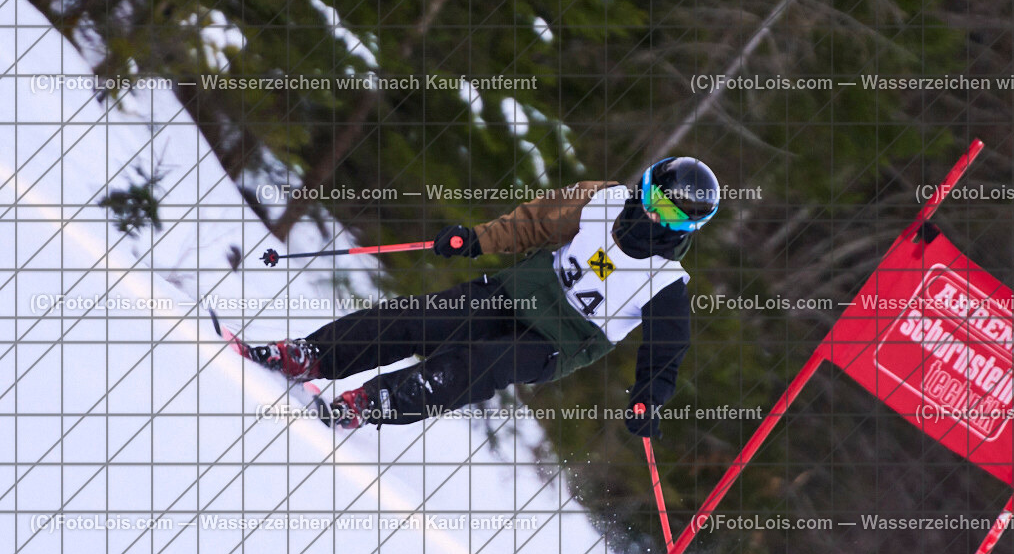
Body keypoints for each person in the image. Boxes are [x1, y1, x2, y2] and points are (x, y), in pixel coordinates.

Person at [247, 157, 719, 438]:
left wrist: (648, 399)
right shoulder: (604, 199)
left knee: (482, 364)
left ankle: (374, 402)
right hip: (522, 288)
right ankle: (311, 355)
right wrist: (476, 239)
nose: (650, 215)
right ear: (643, 185)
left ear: (684, 227)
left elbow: (666, 351)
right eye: (652, 197)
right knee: (421, 319)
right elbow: (535, 222)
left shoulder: (667, 284)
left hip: (561, 339)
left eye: (667, 214)